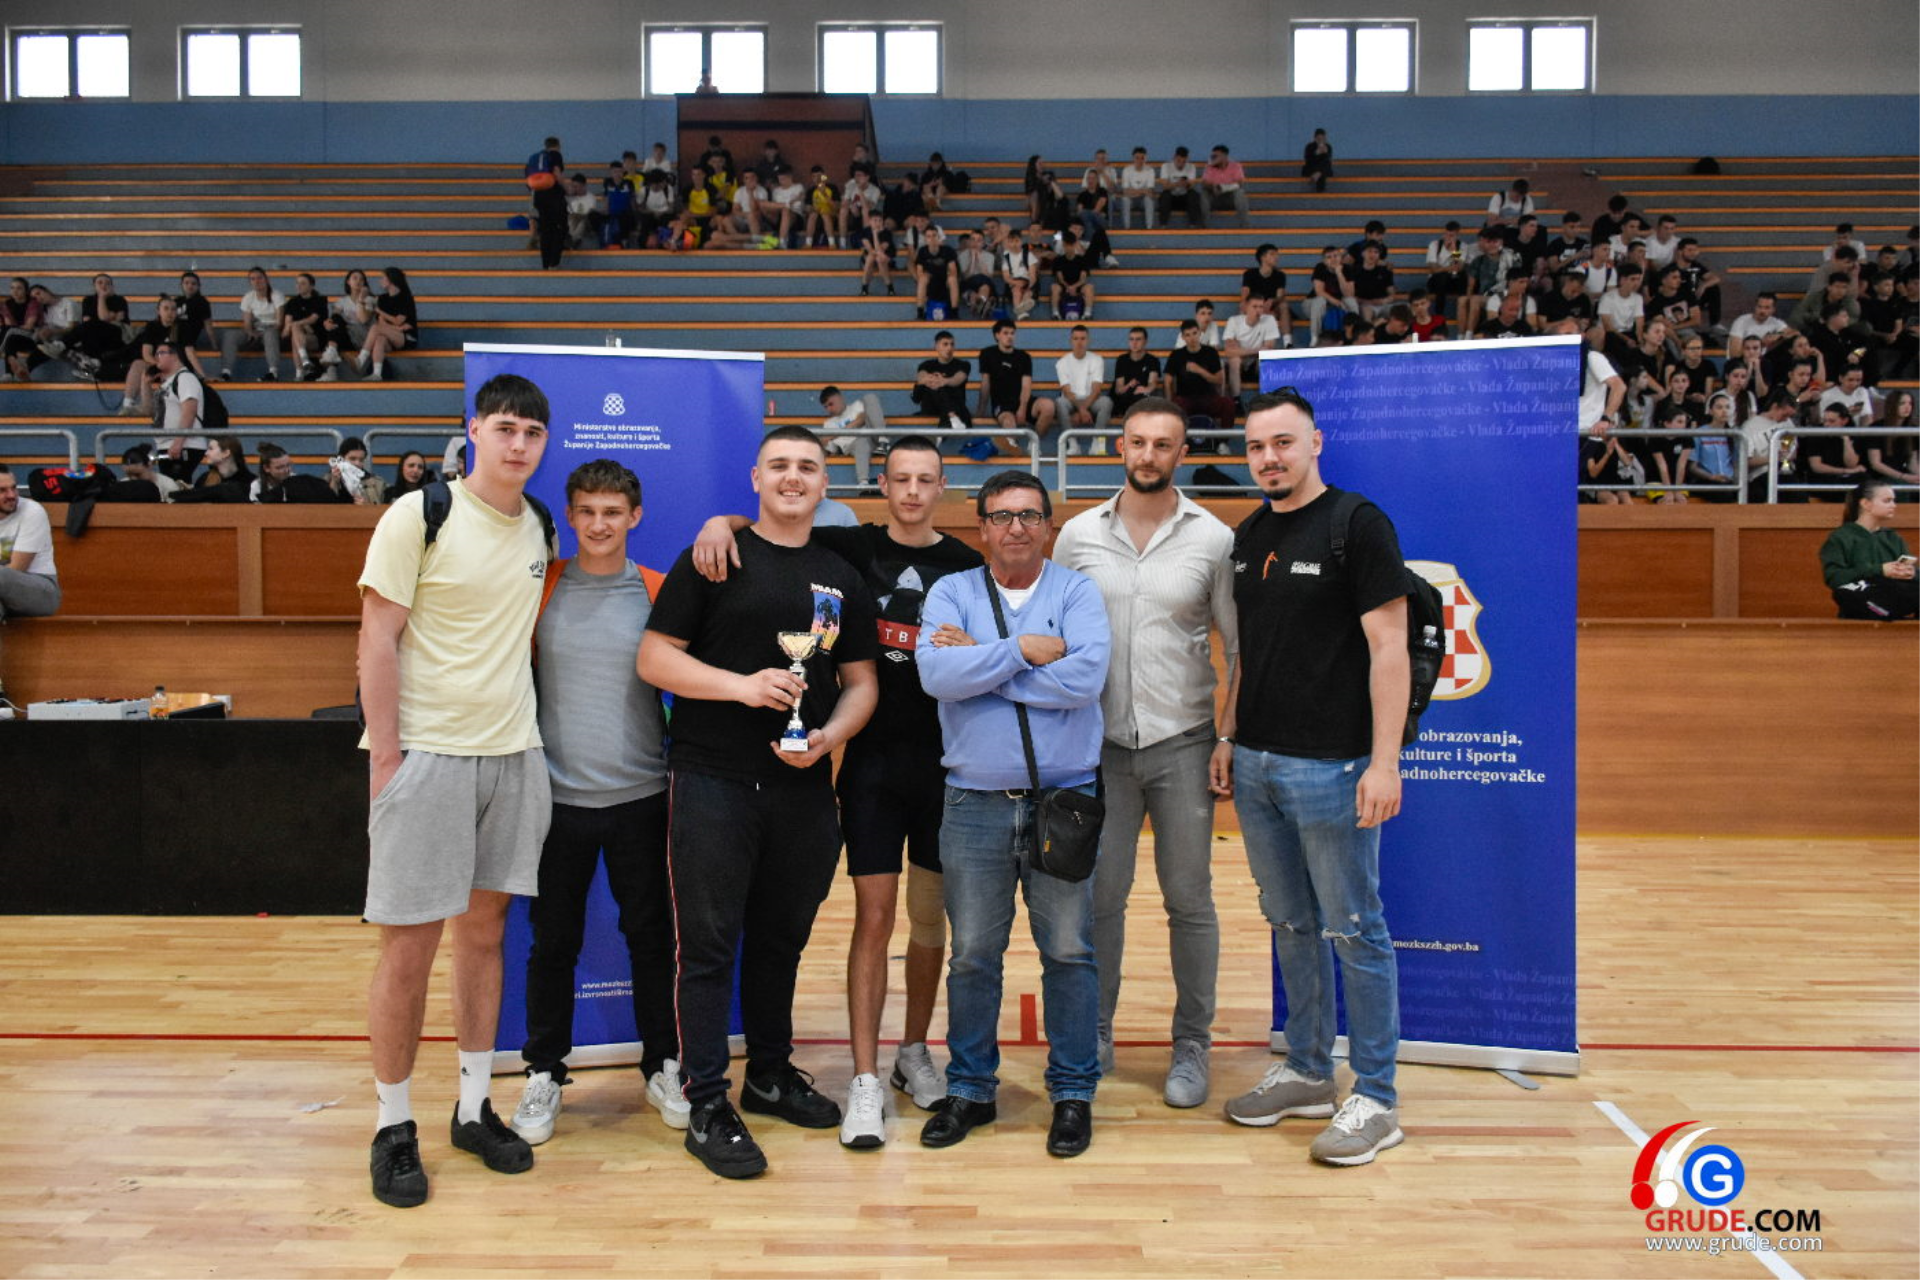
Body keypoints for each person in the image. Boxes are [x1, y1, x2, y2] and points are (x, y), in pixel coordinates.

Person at [691, 435, 982, 1148]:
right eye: (900, 479)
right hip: (871, 769)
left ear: (941, 487)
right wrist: (718, 522)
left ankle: (914, 1051)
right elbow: (773, 525)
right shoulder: (849, 547)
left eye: (925, 480)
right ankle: (865, 1078)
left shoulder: (964, 565)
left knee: (930, 923)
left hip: (945, 766)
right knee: (873, 919)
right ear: (881, 485)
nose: (911, 492)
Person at [636, 427, 879, 1179]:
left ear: (825, 481)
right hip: (712, 781)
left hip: (803, 790)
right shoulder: (714, 555)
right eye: (779, 465)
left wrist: (829, 736)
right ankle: (706, 1100)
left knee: (781, 942)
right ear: (755, 478)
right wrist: (742, 688)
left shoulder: (841, 574)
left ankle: (769, 1073)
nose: (793, 477)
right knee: (708, 948)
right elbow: (654, 658)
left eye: (807, 466)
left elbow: (862, 682)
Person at [354, 374, 556, 1208]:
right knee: (408, 949)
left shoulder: (540, 524)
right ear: (475, 430)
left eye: (533, 433)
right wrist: (387, 760)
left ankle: (473, 1107)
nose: (518, 444)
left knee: (484, 937)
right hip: (428, 757)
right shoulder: (418, 515)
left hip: (515, 756)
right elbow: (376, 638)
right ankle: (392, 1124)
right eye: (505, 428)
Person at [1222, 387, 1410, 1168]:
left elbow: (1390, 648)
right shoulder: (1248, 534)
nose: (1269, 458)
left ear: (1315, 443)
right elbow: (1246, 649)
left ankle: (1377, 1097)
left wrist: (1385, 761)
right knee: (1290, 924)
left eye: (1283, 443)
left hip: (1334, 767)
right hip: (1257, 765)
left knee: (1354, 928)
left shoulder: (1356, 524)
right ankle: (1306, 1070)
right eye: (1256, 447)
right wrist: (1229, 737)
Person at [915, 470, 1112, 1157]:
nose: (1016, 527)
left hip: (1065, 803)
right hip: (973, 804)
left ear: (1049, 527)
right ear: (982, 529)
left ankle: (1073, 1092)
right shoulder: (951, 592)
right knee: (972, 954)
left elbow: (1084, 681)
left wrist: (983, 664)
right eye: (1001, 516)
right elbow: (935, 677)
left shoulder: (1076, 592)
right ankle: (970, 1089)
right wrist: (1024, 651)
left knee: (1069, 951)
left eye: (1029, 515)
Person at [1052, 397, 1236, 1105]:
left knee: (1189, 900)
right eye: (1138, 442)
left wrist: (1226, 736)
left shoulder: (1213, 539)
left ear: (1181, 454)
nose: (1149, 455)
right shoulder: (1077, 536)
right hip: (1097, 749)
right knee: (1101, 898)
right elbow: (1055, 636)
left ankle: (1192, 1043)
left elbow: (1237, 648)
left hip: (1183, 744)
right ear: (1119, 448)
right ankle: (1095, 1031)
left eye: (1163, 444)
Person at [504, 459, 685, 1148]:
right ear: (570, 516)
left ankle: (663, 1064)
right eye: (587, 512)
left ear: (634, 517)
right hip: (556, 802)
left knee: (652, 939)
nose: (600, 524)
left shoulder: (658, 591)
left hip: (644, 798)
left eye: (613, 512)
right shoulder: (542, 589)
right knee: (553, 943)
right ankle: (543, 1071)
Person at [1821, 481, 1918, 619]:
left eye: (1893, 500)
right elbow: (1835, 578)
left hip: (1893, 595)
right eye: (1887, 501)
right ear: (1866, 504)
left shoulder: (1893, 537)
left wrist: (1911, 572)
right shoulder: (1841, 537)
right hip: (1863, 598)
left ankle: (1892, 616)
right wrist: (1880, 570)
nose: (1893, 505)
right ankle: (1883, 613)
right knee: (1846, 593)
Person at [0, 465, 61, 657]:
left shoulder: (32, 511)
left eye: (14, 488)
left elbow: (16, 569)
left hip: (40, 590)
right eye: (2, 490)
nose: (11, 495)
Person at [978, 319, 1057, 450]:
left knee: (1048, 406)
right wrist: (980, 410)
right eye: (1005, 333)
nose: (1010, 336)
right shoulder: (987, 354)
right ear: (997, 335)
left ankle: (1034, 445)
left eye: (1012, 333)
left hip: (1023, 401)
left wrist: (1022, 408)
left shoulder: (1023, 356)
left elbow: (1026, 385)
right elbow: (985, 384)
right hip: (1002, 404)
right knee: (1008, 421)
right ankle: (1012, 446)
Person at [1165, 318, 1235, 432]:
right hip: (1185, 398)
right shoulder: (1176, 355)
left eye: (1194, 333)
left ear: (1200, 333)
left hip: (1208, 398)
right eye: (1187, 335)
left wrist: (1200, 370)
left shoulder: (1210, 352)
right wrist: (1169, 402)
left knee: (1228, 404)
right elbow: (1168, 381)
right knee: (1176, 406)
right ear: (1182, 337)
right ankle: (1181, 440)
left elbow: (1219, 380)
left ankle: (1222, 440)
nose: (1192, 338)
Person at [218, 266, 285, 382]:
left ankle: (273, 372)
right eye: (253, 279)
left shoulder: (277, 295)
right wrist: (251, 332)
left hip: (273, 330)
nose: (256, 281)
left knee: (269, 333)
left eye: (259, 278)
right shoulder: (248, 297)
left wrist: (265, 331)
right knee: (230, 335)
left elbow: (279, 323)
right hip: (256, 329)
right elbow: (247, 323)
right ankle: (226, 372)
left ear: (266, 279)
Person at [1054, 324, 1112, 452]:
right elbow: (1067, 392)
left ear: (1088, 340)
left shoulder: (1097, 360)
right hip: (1072, 401)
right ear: (1071, 341)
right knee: (1060, 402)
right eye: (1076, 339)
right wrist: (1082, 410)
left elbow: (1096, 390)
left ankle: (1097, 444)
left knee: (1106, 402)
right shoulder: (1062, 362)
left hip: (1091, 399)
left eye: (1082, 338)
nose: (1079, 342)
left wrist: (1082, 409)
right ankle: (1072, 444)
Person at [817, 384, 887, 488]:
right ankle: (863, 482)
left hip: (872, 437)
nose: (829, 409)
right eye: (826, 407)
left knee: (870, 397)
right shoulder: (828, 424)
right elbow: (830, 450)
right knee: (861, 441)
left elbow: (862, 419)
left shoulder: (856, 406)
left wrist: (835, 434)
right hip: (852, 446)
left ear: (839, 398)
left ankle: (883, 441)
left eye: (831, 404)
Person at [357, 267, 417, 382]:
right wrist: (397, 328)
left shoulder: (406, 297)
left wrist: (379, 311)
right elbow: (382, 323)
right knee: (380, 338)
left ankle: (361, 359)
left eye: (383, 278)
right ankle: (377, 374)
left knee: (375, 328)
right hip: (394, 333)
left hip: (406, 337)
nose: (380, 280)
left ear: (391, 279)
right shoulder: (382, 299)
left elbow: (398, 320)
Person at [911, 330, 971, 434]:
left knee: (940, 387)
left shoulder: (963, 365)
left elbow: (958, 379)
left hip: (956, 405)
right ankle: (952, 416)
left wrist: (944, 381)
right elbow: (921, 377)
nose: (949, 348)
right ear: (936, 346)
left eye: (952, 344)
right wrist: (933, 380)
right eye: (945, 344)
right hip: (932, 407)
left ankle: (948, 420)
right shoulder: (926, 365)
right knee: (933, 386)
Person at [1221, 295, 1280, 399]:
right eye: (1254, 306)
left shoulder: (1269, 320)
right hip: (1240, 365)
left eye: (1261, 307)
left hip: (1255, 364)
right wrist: (1258, 350)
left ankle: (1267, 399)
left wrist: (1240, 350)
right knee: (1234, 360)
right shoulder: (1234, 321)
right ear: (1246, 307)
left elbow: (1268, 350)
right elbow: (1229, 352)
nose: (1258, 310)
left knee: (1266, 360)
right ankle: (1236, 400)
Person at [1110, 326, 1163, 421]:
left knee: (1142, 397)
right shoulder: (1122, 360)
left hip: (1141, 398)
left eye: (1138, 339)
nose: (1134, 343)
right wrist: (1129, 385)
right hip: (1124, 397)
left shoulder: (1152, 360)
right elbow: (1118, 389)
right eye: (1131, 339)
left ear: (1145, 342)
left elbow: (1152, 383)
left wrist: (1146, 389)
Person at [1201, 145, 1250, 227]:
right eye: (1212, 156)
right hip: (1215, 198)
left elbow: (1240, 183)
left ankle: (1245, 225)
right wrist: (1213, 187)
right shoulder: (1209, 167)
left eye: (1215, 156)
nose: (1213, 158)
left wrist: (1224, 188)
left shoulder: (1236, 166)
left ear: (1224, 156)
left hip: (1230, 199)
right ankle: (1204, 225)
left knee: (1240, 192)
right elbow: (1205, 183)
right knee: (1204, 194)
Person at [1157, 147, 1205, 227]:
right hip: (1171, 198)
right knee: (1165, 196)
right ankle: (1163, 225)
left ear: (1187, 159)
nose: (1181, 164)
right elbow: (1165, 186)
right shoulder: (1166, 166)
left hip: (1184, 198)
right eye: (1179, 161)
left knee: (1194, 195)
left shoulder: (1191, 167)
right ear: (1174, 157)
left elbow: (1192, 185)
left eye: (1184, 162)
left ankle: (1193, 225)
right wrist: (1177, 184)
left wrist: (1185, 184)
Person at [1117, 147, 1157, 229]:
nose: (1140, 160)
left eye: (1142, 158)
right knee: (1125, 200)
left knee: (1149, 200)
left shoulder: (1150, 170)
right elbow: (1125, 192)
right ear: (1133, 158)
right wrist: (1142, 191)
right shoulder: (1127, 170)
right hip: (1130, 199)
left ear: (1145, 159)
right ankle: (1126, 229)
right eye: (1137, 158)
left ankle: (1149, 228)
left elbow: (1150, 192)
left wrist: (1134, 191)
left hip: (1143, 200)